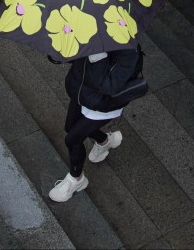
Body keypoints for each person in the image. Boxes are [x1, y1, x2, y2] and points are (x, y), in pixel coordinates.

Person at [49, 45, 143, 203]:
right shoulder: (91, 32)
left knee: (72, 139)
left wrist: (97, 57)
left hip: (103, 103)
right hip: (83, 92)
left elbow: (110, 86)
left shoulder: (129, 52)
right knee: (70, 127)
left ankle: (76, 179)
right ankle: (105, 141)